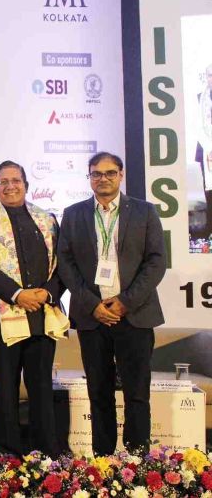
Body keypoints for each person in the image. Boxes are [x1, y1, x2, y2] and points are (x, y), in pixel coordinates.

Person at [58, 151, 166, 455]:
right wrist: (93, 304)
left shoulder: (145, 211)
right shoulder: (74, 214)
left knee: (137, 394)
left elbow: (156, 262)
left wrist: (124, 303)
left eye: (109, 173)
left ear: (121, 175)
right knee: (99, 393)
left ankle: (137, 461)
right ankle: (103, 461)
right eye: (96, 173)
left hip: (135, 315)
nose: (103, 179)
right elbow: (65, 264)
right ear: (89, 177)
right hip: (92, 317)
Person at [0, 160, 67, 456]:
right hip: (1, 319)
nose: (10, 186)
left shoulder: (48, 220)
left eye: (16, 180)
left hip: (42, 315)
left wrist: (47, 293)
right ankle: (8, 454)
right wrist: (17, 294)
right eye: (3, 181)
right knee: (5, 390)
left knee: (41, 388)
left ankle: (45, 454)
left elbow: (63, 264)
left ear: (26, 184)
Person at [195, 64, 212, 238]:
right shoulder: (200, 98)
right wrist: (209, 146)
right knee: (209, 191)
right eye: (210, 75)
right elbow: (197, 125)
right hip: (206, 148)